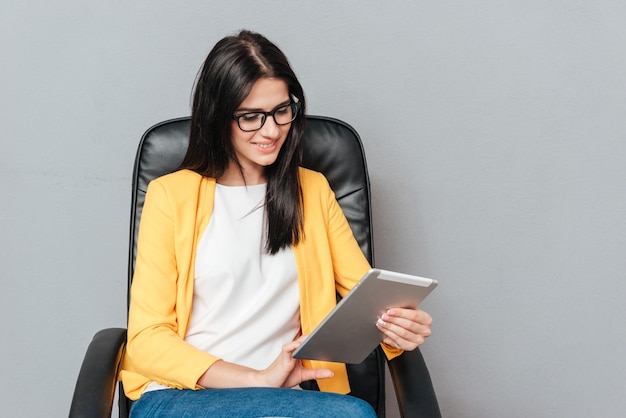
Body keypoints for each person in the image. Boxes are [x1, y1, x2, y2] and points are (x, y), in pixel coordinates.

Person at [120, 30, 433, 418]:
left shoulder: (312, 190)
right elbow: (147, 340)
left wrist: (399, 326)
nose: (271, 131)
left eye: (282, 111)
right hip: (183, 394)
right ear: (218, 117)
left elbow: (366, 300)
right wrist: (257, 378)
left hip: (286, 398)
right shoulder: (170, 196)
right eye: (251, 117)